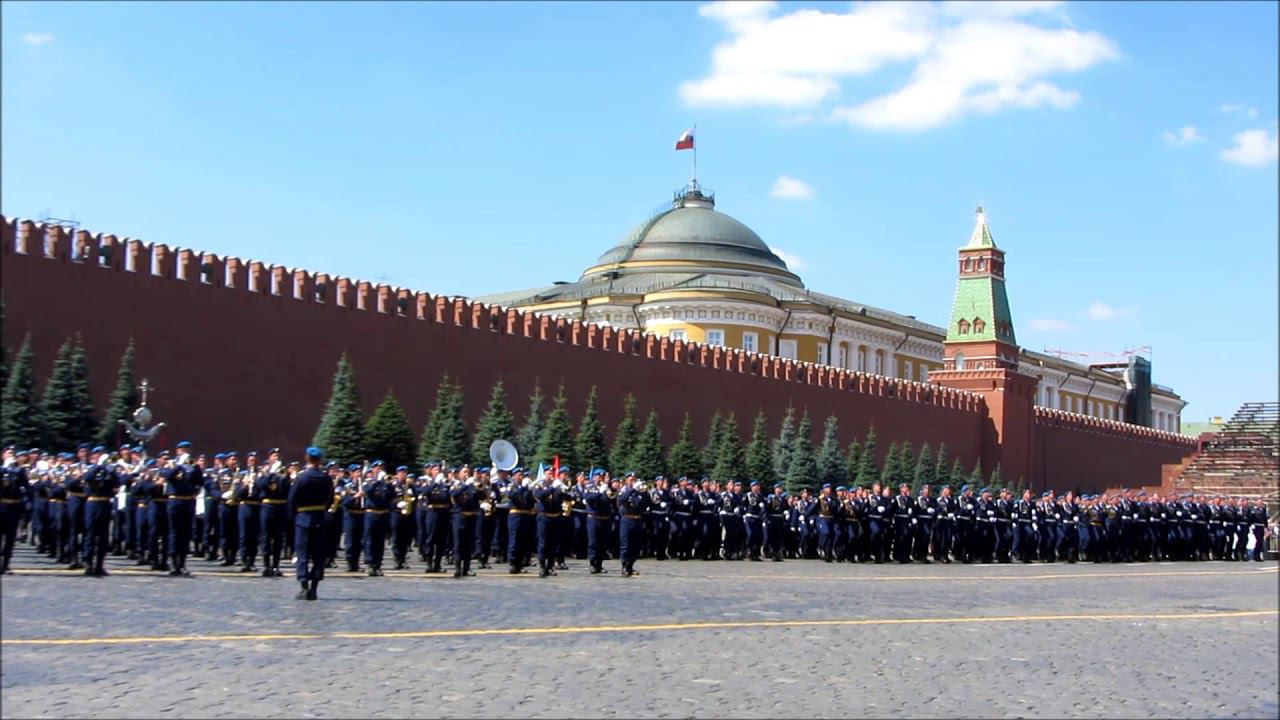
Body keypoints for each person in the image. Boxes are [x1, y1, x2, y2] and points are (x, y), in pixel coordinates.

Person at [289, 447, 333, 601]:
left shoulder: (302, 478)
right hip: (319, 518)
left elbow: (292, 499)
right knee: (318, 555)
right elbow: (330, 499)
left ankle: (303, 587)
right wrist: (321, 511)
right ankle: (314, 588)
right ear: (320, 460)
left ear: (307, 458)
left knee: (302, 554)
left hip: (303, 518)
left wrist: (296, 516)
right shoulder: (325, 478)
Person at [164, 441, 202, 576]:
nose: (185, 452)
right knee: (175, 532)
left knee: (186, 533)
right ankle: (174, 564)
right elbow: (168, 477)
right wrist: (179, 465)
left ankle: (183, 563)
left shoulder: (193, 465)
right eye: (182, 449)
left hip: (188, 501)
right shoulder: (172, 463)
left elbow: (200, 481)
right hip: (175, 501)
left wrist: (196, 468)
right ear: (177, 451)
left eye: (187, 449)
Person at [81, 447, 121, 577]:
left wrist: (111, 469)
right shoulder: (91, 468)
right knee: (90, 534)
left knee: (103, 536)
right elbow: (88, 478)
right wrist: (98, 466)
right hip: (92, 503)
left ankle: (99, 565)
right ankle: (88, 564)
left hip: (105, 503)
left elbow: (118, 483)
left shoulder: (109, 471)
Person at [0, 448, 31, 574]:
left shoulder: (19, 471)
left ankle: (6, 564)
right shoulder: (1, 469)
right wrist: (5, 469)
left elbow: (27, 487)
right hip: (1, 505)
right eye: (8, 453)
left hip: (14, 506)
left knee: (10, 537)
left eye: (13, 454)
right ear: (3, 456)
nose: (11, 456)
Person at [533, 467, 565, 577]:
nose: (550, 476)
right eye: (548, 473)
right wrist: (552, 488)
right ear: (544, 475)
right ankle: (542, 566)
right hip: (544, 517)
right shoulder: (540, 485)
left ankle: (550, 566)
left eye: (552, 473)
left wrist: (564, 489)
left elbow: (567, 497)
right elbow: (539, 495)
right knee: (543, 543)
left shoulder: (557, 486)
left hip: (556, 517)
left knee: (553, 543)